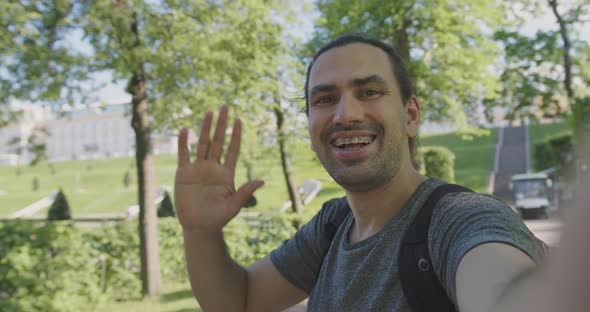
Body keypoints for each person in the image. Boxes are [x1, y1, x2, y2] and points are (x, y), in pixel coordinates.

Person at [174, 35, 585, 312]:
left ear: (410, 115)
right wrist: (200, 232)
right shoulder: (330, 227)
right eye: (324, 98)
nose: (346, 113)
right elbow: (239, 300)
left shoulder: (461, 219)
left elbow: (500, 292)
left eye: (369, 92)